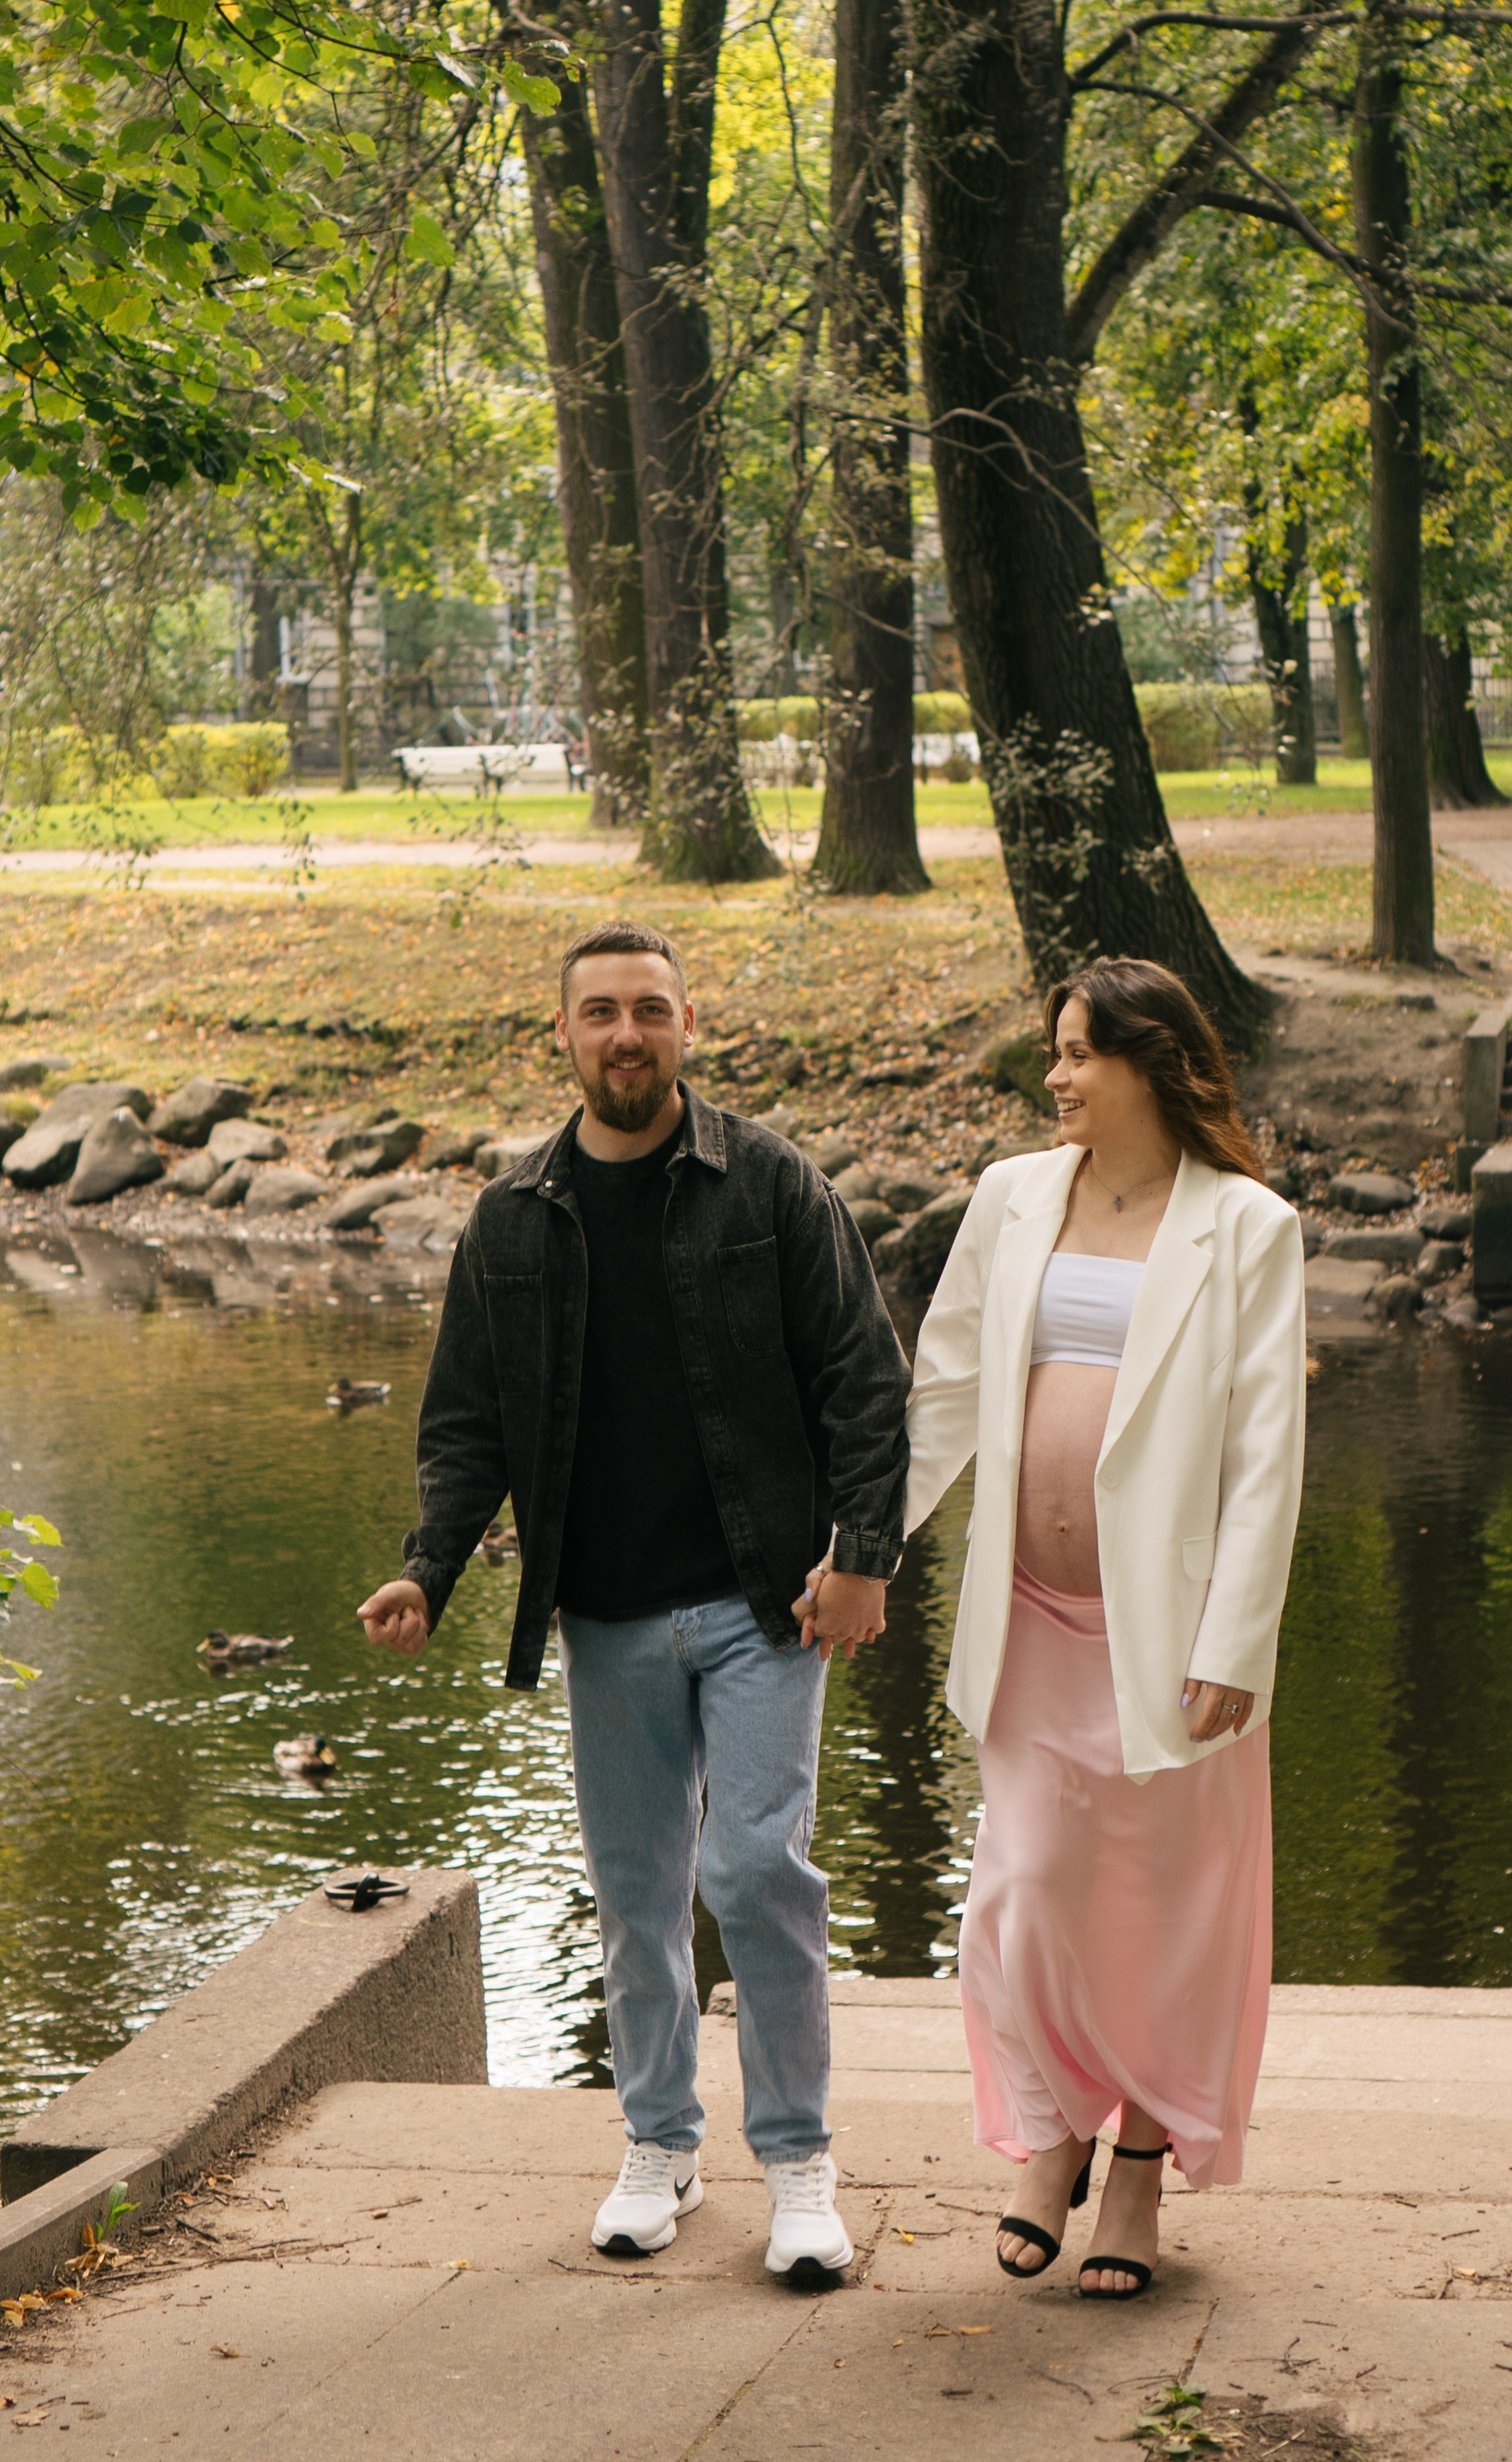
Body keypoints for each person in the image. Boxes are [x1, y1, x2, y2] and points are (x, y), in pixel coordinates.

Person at [356, 917, 909, 2291]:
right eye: (600, 1012)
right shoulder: (512, 1219)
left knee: (757, 1873)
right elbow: (467, 1422)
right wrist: (429, 1567)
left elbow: (863, 1377)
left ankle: (798, 2163)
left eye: (650, 1010)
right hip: (605, 1617)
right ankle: (661, 2143)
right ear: (563, 1034)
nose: (626, 1034)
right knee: (638, 1896)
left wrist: (863, 1555)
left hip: (766, 1603)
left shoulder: (770, 1185)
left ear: (687, 1025)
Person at [819, 956, 1305, 2300]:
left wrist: (1234, 1644)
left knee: (1167, 1916)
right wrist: (863, 1552)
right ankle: (1050, 2135)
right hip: (1027, 1622)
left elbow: (1268, 1455)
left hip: (1172, 1638)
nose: (1057, 1075)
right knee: (1022, 1898)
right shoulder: (1014, 1196)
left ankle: (1135, 2162)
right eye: (1058, 1050)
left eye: (1082, 1051)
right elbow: (944, 1393)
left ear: (1154, 1063)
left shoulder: (1248, 1227)